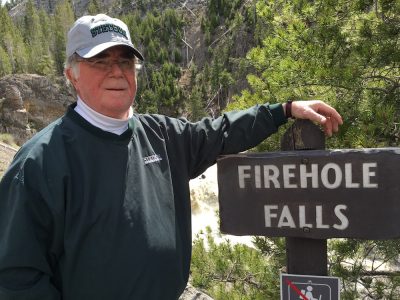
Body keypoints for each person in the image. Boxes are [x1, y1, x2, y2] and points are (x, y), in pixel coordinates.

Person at [0, 14, 342, 300]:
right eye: (100, 61)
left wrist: (284, 110)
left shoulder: (163, 135)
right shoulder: (39, 163)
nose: (116, 71)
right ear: (71, 74)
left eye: (125, 61)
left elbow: (220, 131)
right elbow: (16, 276)